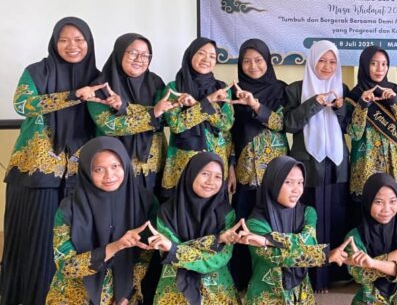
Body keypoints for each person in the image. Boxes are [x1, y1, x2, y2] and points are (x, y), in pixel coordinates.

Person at [1, 17, 98, 305]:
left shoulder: (99, 77)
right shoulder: (36, 71)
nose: (72, 46)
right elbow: (23, 104)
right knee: (35, 243)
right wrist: (72, 96)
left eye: (80, 40)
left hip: (79, 178)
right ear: (55, 42)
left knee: (70, 246)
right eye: (65, 39)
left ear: (89, 43)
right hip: (35, 175)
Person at [46, 138, 155, 304]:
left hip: (126, 294)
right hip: (74, 295)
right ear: (87, 172)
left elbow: (146, 257)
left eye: (115, 166)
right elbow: (66, 266)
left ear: (125, 164)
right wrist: (116, 246)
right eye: (98, 169)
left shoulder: (145, 202)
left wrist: (125, 296)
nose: (109, 175)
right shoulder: (70, 208)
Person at [282, 40, 352, 292]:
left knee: (334, 217)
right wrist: (314, 102)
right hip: (308, 165)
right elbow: (289, 124)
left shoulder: (342, 87)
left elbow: (350, 128)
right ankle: (311, 276)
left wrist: (342, 108)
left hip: (336, 163)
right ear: (312, 61)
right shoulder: (295, 89)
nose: (327, 66)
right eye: (322, 60)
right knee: (309, 220)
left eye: (332, 61)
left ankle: (331, 276)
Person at [243, 156, 349, 304]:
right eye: (288, 182)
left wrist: (268, 240)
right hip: (267, 296)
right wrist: (325, 255)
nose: (297, 189)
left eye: (300, 182)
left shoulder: (308, 213)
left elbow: (309, 243)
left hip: (302, 294)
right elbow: (279, 256)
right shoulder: (255, 223)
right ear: (273, 183)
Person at [229, 39, 290, 290]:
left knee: (275, 221)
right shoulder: (232, 91)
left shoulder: (282, 90)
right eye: (246, 61)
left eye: (258, 60)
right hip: (245, 168)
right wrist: (229, 168)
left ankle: (277, 278)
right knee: (244, 221)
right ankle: (244, 279)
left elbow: (282, 123)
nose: (253, 66)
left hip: (276, 169)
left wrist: (255, 105)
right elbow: (228, 133)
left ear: (268, 61)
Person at [149, 152, 241, 304]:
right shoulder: (167, 211)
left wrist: (175, 249)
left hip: (216, 287)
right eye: (205, 173)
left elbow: (221, 257)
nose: (211, 181)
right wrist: (216, 240)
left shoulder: (227, 212)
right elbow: (166, 252)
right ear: (191, 174)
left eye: (218, 177)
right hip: (174, 285)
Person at [87, 33, 170, 193]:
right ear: (119, 53)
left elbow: (165, 117)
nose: (140, 59)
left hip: (153, 166)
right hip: (114, 169)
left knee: (151, 212)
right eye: (133, 53)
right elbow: (110, 126)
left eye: (145, 55)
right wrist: (153, 114)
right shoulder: (100, 87)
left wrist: (124, 107)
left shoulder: (156, 82)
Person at [161, 38, 233, 196]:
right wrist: (207, 102)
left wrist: (196, 104)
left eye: (212, 56)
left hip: (215, 162)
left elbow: (226, 124)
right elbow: (177, 124)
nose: (207, 59)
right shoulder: (174, 88)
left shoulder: (222, 88)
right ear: (190, 55)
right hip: (183, 161)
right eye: (201, 53)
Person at [345, 173, 397, 304]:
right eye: (378, 202)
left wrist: (372, 264)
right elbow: (359, 274)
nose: (386, 209)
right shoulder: (354, 237)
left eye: (393, 201)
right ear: (367, 201)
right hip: (368, 298)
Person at [347, 46, 397, 200]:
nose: (379, 69)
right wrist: (362, 104)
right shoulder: (355, 95)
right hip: (366, 162)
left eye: (384, 64)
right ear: (365, 65)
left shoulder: (395, 91)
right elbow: (354, 133)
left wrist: (395, 101)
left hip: (394, 163)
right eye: (374, 63)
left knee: (393, 207)